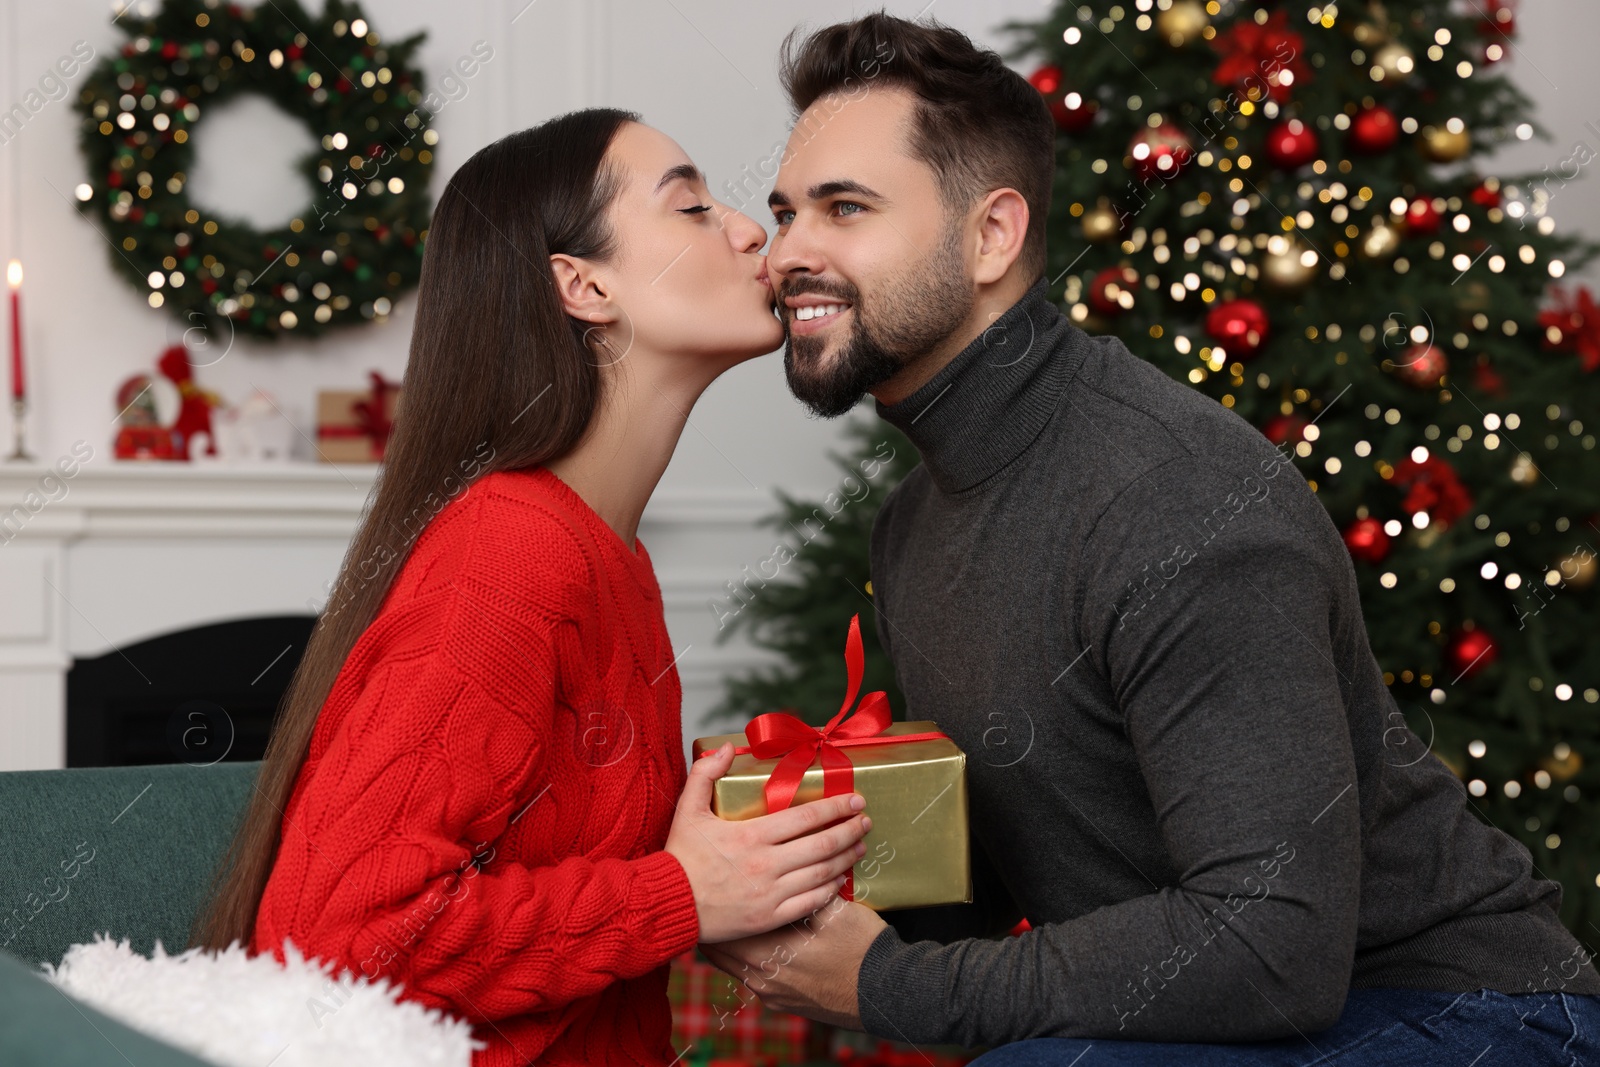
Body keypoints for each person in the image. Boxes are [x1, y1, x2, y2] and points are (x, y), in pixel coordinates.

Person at [697, 13, 1600, 1065]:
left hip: (1471, 1011)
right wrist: (783, 884)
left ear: (991, 235)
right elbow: (1012, 850)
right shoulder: (915, 520)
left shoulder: (1171, 498)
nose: (790, 251)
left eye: (844, 208)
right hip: (1263, 1004)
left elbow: (1275, 938)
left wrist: (890, 980)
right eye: (785, 211)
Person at [187, 109, 872, 1067]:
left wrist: (720, 877)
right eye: (691, 206)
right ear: (582, 286)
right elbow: (338, 937)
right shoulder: (509, 553)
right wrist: (679, 893)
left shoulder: (610, 557)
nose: (751, 230)